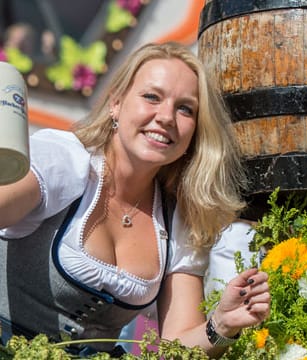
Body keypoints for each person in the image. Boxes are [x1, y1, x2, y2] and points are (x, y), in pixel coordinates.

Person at [0, 41, 270, 357]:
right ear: (116, 103)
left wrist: (221, 326)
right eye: (151, 97)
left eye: (185, 108)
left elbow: (176, 347)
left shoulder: (176, 221)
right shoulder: (67, 162)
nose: (167, 117)